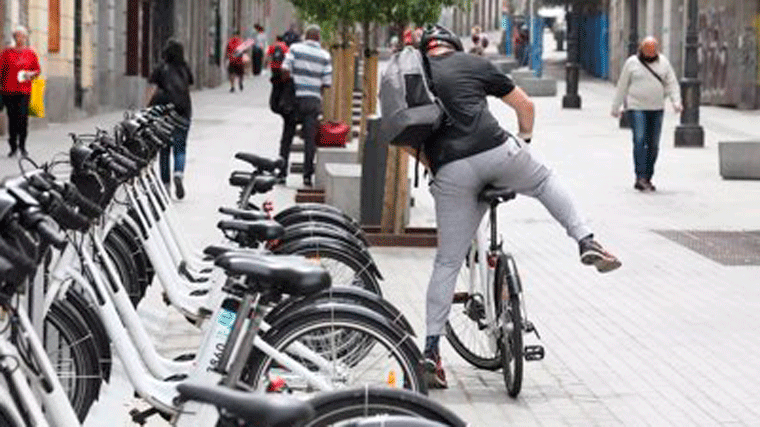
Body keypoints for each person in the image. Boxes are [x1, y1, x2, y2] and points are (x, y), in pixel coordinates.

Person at [408, 25, 621, 389]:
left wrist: (435, 167)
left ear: (424, 50)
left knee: (447, 262)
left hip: (450, 169)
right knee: (544, 180)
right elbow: (525, 105)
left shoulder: (414, 76)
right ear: (453, 45)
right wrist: (524, 142)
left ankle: (431, 351)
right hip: (496, 150)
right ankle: (586, 240)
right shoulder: (473, 63)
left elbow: (403, 138)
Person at [612, 36, 682, 192]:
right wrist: (616, 107)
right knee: (639, 140)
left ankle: (648, 176)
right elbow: (622, 86)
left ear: (657, 50)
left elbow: (672, 83)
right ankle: (640, 177)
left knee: (653, 144)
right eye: (647, 50)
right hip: (637, 107)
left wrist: (676, 102)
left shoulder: (664, 63)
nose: (650, 53)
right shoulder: (631, 63)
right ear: (641, 49)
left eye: (653, 50)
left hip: (657, 108)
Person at [279, 24, 332, 187]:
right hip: (313, 101)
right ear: (318, 38)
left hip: (295, 99)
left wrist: (291, 83)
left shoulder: (295, 49)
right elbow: (327, 83)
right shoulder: (325, 55)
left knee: (287, 136)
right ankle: (307, 176)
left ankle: (281, 173)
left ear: (305, 36)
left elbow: (285, 69)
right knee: (310, 139)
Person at [146, 40, 194, 199]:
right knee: (180, 148)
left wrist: (146, 108)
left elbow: (152, 88)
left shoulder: (161, 68)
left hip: (164, 112)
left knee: (164, 150)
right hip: (183, 111)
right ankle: (178, 173)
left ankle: (166, 187)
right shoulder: (184, 67)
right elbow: (189, 84)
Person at [0, 26, 40, 158]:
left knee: (22, 119)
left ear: (26, 38)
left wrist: (31, 74)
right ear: (14, 37)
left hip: (24, 91)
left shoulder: (30, 53)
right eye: (18, 36)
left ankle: (22, 146)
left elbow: (37, 70)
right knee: (12, 119)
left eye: (22, 36)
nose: (20, 38)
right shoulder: (7, 53)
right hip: (8, 91)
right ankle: (13, 146)